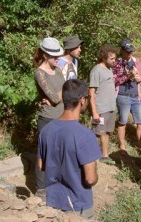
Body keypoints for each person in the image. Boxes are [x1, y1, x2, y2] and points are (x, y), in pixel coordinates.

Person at [37, 79, 101, 221]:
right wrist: (96, 175)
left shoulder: (46, 130)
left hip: (53, 203)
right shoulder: (85, 135)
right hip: (78, 206)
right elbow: (90, 179)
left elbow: (41, 166)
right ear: (82, 100)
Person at [33, 37, 65, 199]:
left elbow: (59, 93)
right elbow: (56, 97)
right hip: (48, 119)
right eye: (54, 56)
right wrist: (58, 96)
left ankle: (54, 183)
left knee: (58, 153)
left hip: (61, 117)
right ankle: (40, 188)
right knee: (44, 153)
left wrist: (57, 96)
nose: (58, 59)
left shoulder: (57, 68)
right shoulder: (40, 73)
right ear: (45, 55)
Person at [113, 39, 141, 155]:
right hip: (123, 95)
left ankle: (140, 145)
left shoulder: (136, 61)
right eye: (127, 51)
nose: (130, 54)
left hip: (136, 96)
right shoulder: (117, 63)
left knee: (140, 121)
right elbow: (115, 80)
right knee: (123, 121)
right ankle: (122, 145)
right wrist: (127, 76)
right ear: (122, 51)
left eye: (131, 51)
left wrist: (139, 78)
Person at [89, 44, 118, 165]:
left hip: (111, 107)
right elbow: (91, 92)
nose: (114, 61)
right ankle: (90, 155)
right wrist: (95, 111)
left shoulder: (109, 69)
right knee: (98, 132)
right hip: (101, 108)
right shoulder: (96, 70)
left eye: (114, 58)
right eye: (112, 59)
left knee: (107, 132)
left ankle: (104, 155)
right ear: (103, 57)